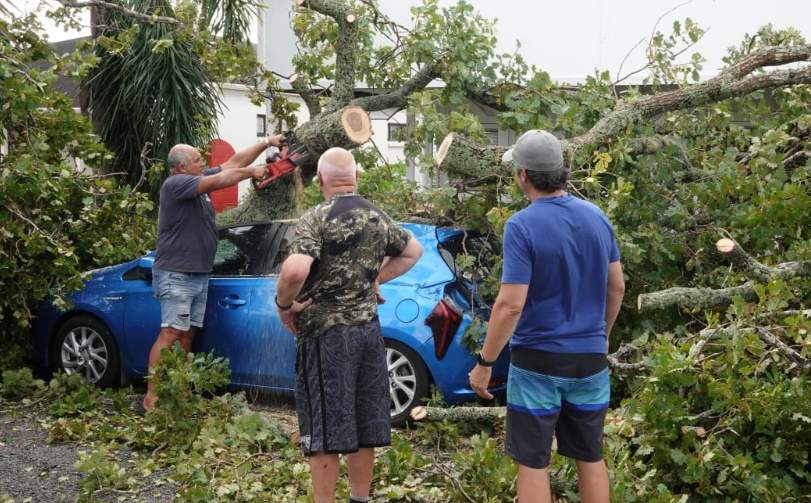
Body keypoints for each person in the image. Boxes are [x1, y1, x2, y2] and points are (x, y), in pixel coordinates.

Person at [469, 130, 625, 503]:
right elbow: (617, 286)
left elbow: (510, 305)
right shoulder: (597, 217)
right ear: (562, 169)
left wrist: (485, 363)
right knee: (591, 456)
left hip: (538, 361)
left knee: (533, 462)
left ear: (523, 175)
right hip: (589, 360)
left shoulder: (522, 225)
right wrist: (602, 335)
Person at [275, 147, 423, 503]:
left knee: (326, 430)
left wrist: (284, 304)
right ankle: (360, 499)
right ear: (355, 177)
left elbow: (295, 270)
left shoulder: (316, 218)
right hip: (369, 334)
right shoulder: (377, 216)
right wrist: (376, 279)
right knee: (364, 423)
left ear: (321, 180)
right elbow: (413, 250)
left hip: (326, 336)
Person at [141, 134, 285, 412]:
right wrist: (252, 173)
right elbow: (223, 179)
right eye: (197, 161)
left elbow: (232, 162)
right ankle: (153, 397)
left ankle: (179, 391)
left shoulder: (196, 179)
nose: (202, 163)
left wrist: (267, 142)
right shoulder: (177, 184)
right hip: (176, 273)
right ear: (182, 167)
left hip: (198, 273)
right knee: (171, 333)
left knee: (187, 335)